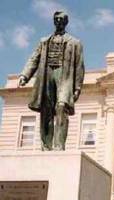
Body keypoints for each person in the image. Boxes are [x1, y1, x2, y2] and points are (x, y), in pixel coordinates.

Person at [18, 11, 85, 151]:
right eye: (56, 19)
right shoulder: (44, 41)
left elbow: (79, 66)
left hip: (64, 76)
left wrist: (77, 87)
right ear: (54, 21)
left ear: (66, 22)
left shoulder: (75, 43)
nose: (58, 22)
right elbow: (34, 59)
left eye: (61, 19)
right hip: (47, 74)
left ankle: (59, 145)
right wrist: (24, 75)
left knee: (61, 107)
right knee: (46, 109)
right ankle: (46, 146)